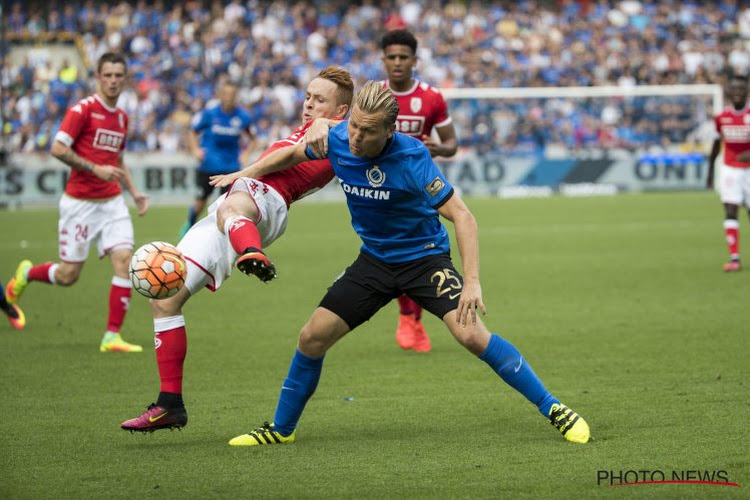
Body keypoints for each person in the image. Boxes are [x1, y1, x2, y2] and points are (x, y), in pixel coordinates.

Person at [214, 81, 591, 446]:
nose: (357, 138)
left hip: (424, 259)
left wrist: (472, 282)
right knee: (311, 338)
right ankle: (281, 429)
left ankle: (554, 408)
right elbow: (294, 154)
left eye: (368, 132)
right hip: (374, 262)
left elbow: (463, 217)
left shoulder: (412, 158)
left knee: (472, 335)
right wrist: (244, 173)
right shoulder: (341, 137)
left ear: (389, 131)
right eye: (355, 127)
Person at [120, 67, 354, 432]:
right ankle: (170, 405)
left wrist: (243, 171)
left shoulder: (334, 130)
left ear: (340, 111)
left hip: (265, 198)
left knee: (232, 207)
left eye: (319, 100)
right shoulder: (321, 128)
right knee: (165, 298)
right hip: (246, 202)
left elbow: (298, 153)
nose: (309, 105)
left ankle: (252, 252)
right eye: (308, 97)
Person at [5, 52, 148, 352]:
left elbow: (117, 159)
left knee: (124, 261)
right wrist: (94, 169)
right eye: (107, 75)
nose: (112, 81)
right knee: (69, 275)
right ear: (97, 77)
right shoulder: (82, 110)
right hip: (79, 203)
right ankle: (27, 274)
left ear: (124, 79)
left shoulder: (121, 117)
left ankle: (111, 336)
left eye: (117, 76)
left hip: (112, 202)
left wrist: (134, 192)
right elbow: (58, 148)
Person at [380, 29, 458, 353]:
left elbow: (452, 144)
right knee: (394, 253)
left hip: (422, 187)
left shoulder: (431, 97)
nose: (397, 63)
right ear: (383, 60)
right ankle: (407, 316)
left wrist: (437, 148)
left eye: (403, 57)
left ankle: (413, 318)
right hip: (382, 188)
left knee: (423, 253)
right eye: (391, 57)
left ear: (414, 60)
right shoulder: (373, 96)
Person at [179, 80, 257, 239]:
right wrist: (195, 149)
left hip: (230, 168)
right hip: (208, 165)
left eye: (232, 94)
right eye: (226, 94)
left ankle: (218, 236)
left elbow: (253, 138)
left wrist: (246, 154)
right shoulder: (209, 114)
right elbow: (192, 132)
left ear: (236, 97)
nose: (229, 97)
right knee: (200, 201)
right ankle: (190, 223)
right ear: (220, 95)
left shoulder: (242, 117)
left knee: (226, 205)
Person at [707, 74, 750, 272]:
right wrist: (709, 172)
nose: (738, 92)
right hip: (730, 169)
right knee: (730, 209)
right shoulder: (722, 118)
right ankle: (734, 258)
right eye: (735, 89)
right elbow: (716, 145)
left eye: (742, 89)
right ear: (729, 93)